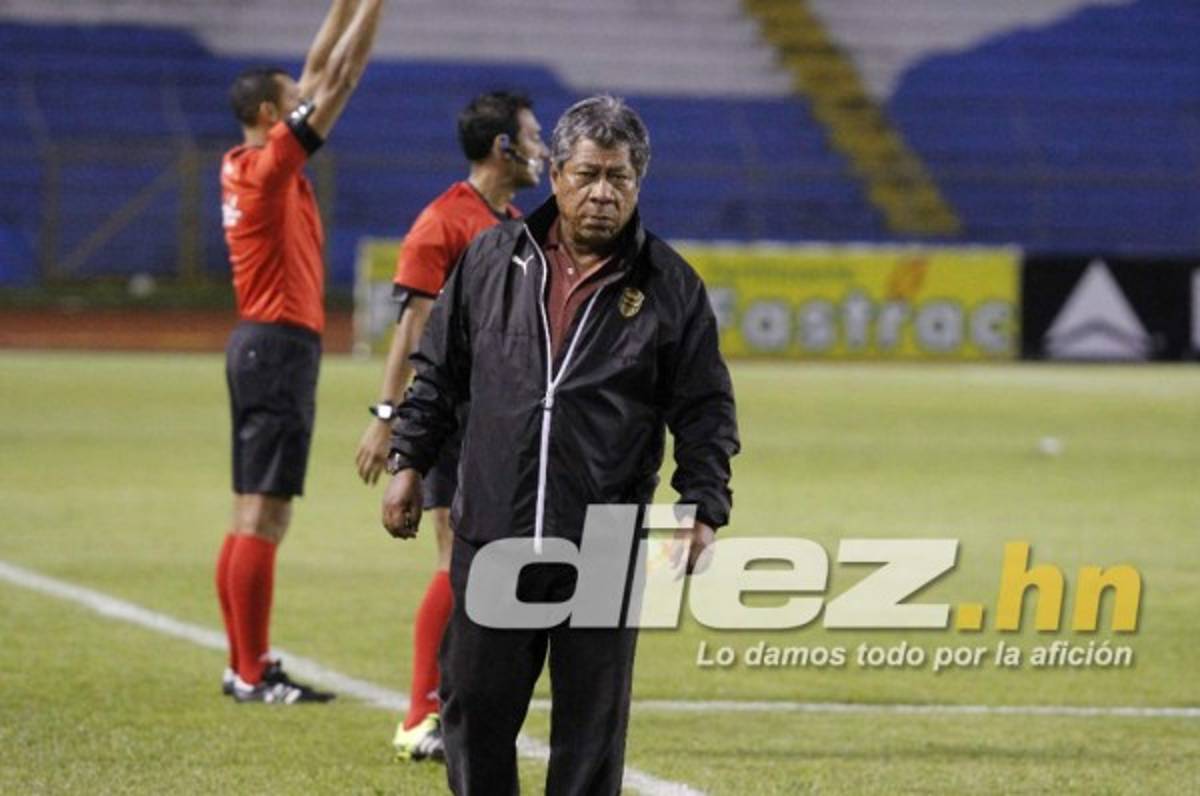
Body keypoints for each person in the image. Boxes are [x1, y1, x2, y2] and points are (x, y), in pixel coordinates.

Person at [380, 95, 739, 794]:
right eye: (588, 174)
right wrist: (409, 462)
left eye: (619, 177)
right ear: (556, 175)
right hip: (496, 526)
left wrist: (703, 505)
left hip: (603, 536)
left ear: (639, 182)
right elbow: (439, 372)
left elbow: (705, 408)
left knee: (590, 731)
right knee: (474, 709)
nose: (603, 193)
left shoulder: (671, 285)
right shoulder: (490, 260)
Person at [353, 91, 548, 759]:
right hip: (452, 414)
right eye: (533, 136)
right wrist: (389, 418)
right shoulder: (443, 221)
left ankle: (457, 703)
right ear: (502, 146)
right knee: (455, 558)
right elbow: (413, 328)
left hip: (500, 418)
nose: (542, 149)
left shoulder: (517, 225)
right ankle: (420, 715)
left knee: (486, 562)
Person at [214, 0, 383, 704]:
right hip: (279, 345)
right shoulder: (270, 166)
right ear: (267, 114)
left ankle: (244, 665)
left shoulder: (244, 163)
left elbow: (316, 68)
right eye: (290, 101)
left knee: (248, 513)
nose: (302, 101)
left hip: (259, 343)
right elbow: (339, 76)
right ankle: (253, 672)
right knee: (266, 516)